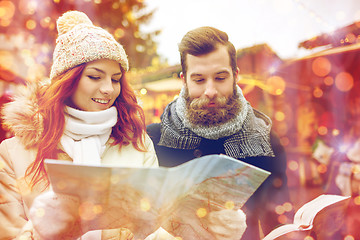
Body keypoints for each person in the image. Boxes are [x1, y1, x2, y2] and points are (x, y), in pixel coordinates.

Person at [0, 11, 246, 240]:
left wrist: (209, 230)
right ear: (67, 80)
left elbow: (153, 231)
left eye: (116, 79)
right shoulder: (13, 154)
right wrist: (40, 230)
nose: (108, 89)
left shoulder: (136, 143)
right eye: (95, 76)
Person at [147, 26, 291, 240]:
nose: (210, 91)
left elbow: (278, 224)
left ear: (235, 76)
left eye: (220, 78)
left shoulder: (265, 141)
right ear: (183, 80)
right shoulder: (154, 139)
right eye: (199, 80)